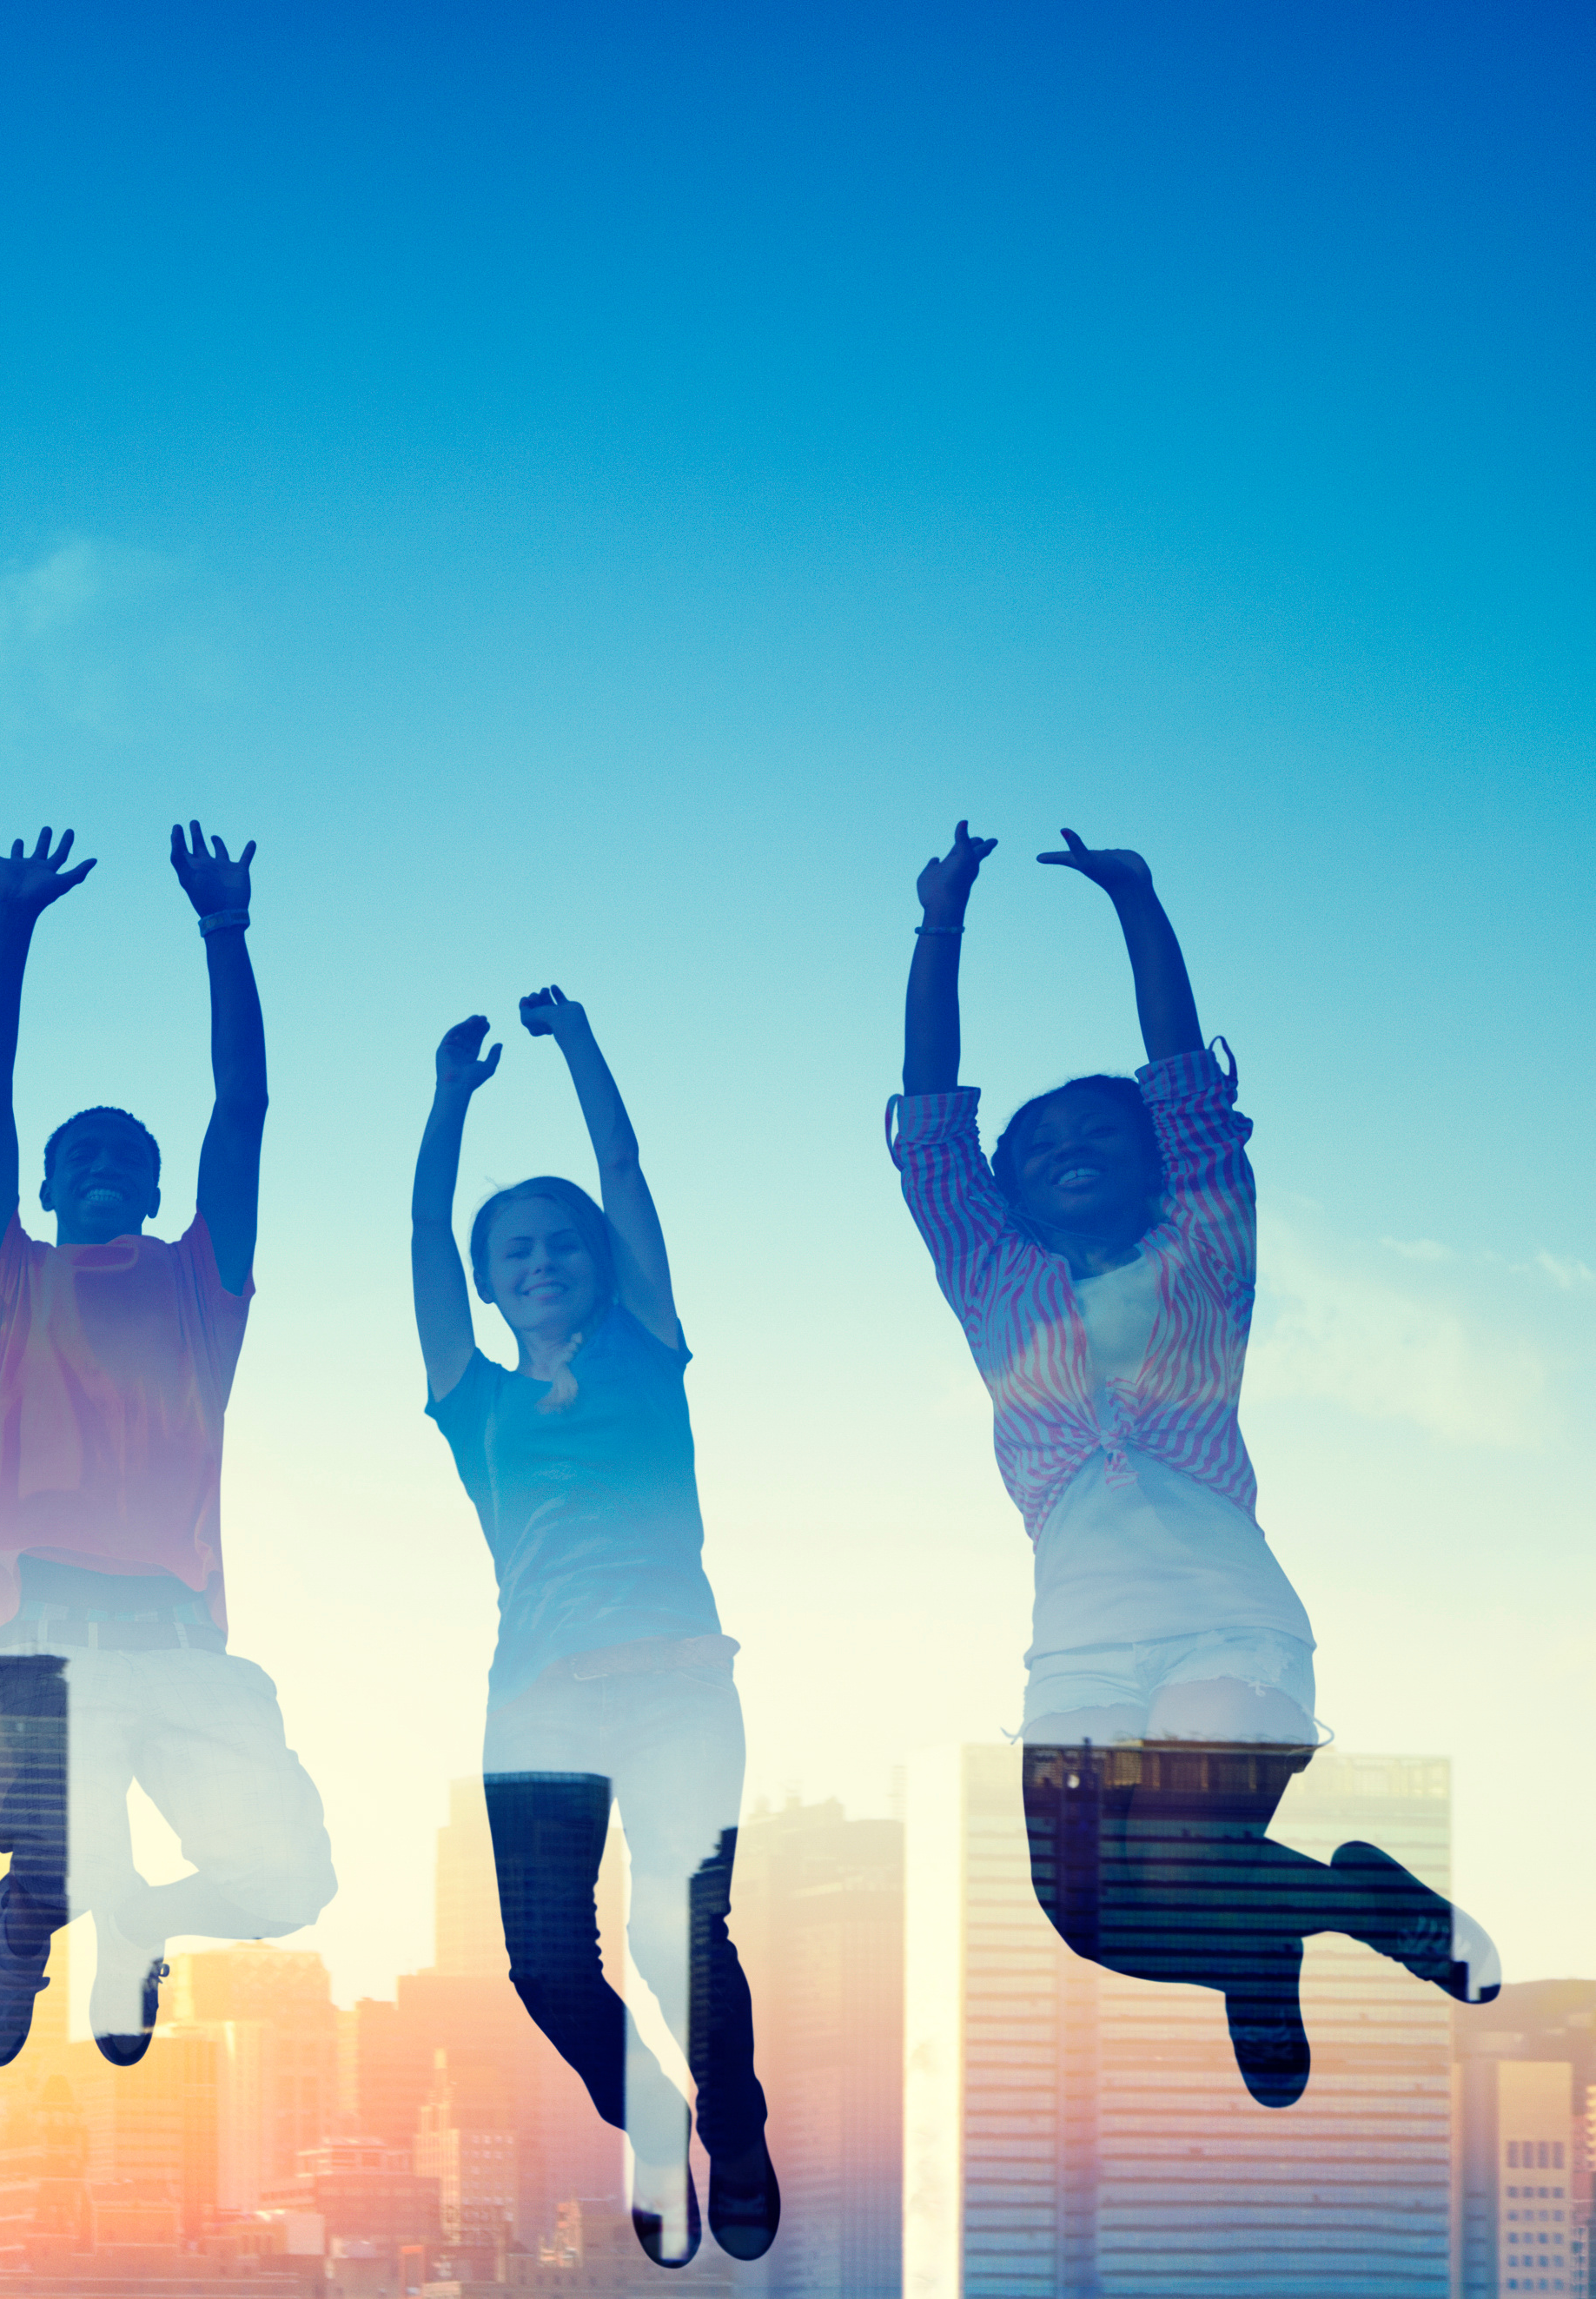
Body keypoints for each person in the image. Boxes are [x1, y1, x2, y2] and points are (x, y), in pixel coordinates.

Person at [893, 822, 1495, 2108]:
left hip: (1227, 1622)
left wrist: (1137, 902)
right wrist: (938, 921)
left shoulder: (1204, 1251)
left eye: (1093, 1131)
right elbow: (932, 1136)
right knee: (1086, 1918)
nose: (1060, 1141)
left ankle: (1304, 1932)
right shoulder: (991, 1280)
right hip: (1075, 1652)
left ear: (1150, 1161)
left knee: (1168, 1875)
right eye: (1036, 1138)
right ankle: (1308, 1919)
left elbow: (1184, 1087)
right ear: (1009, 1186)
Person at [0, 823, 334, 2076]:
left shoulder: (198, 1287)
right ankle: (33, 1907)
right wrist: (10, 926)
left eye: (131, 1154)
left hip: (180, 1641)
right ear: (50, 1188)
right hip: (42, 1642)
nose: (106, 1163)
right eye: (83, 1154)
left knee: (289, 1882)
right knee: (54, 1849)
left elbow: (246, 1106)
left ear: (160, 1188)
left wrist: (224, 931)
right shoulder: (4, 1285)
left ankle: (135, 1921)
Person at [413, 985, 773, 2268]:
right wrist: (448, 1101)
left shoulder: (645, 1345)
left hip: (679, 1685)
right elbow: (417, 1232)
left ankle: (733, 2125)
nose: (542, 1258)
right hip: (536, 1707)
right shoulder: (469, 1396)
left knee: (682, 1931)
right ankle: (652, 2118)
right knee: (547, 1966)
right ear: (487, 1284)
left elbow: (621, 1169)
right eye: (513, 1249)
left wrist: (574, 1043)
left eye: (560, 1241)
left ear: (598, 1262)